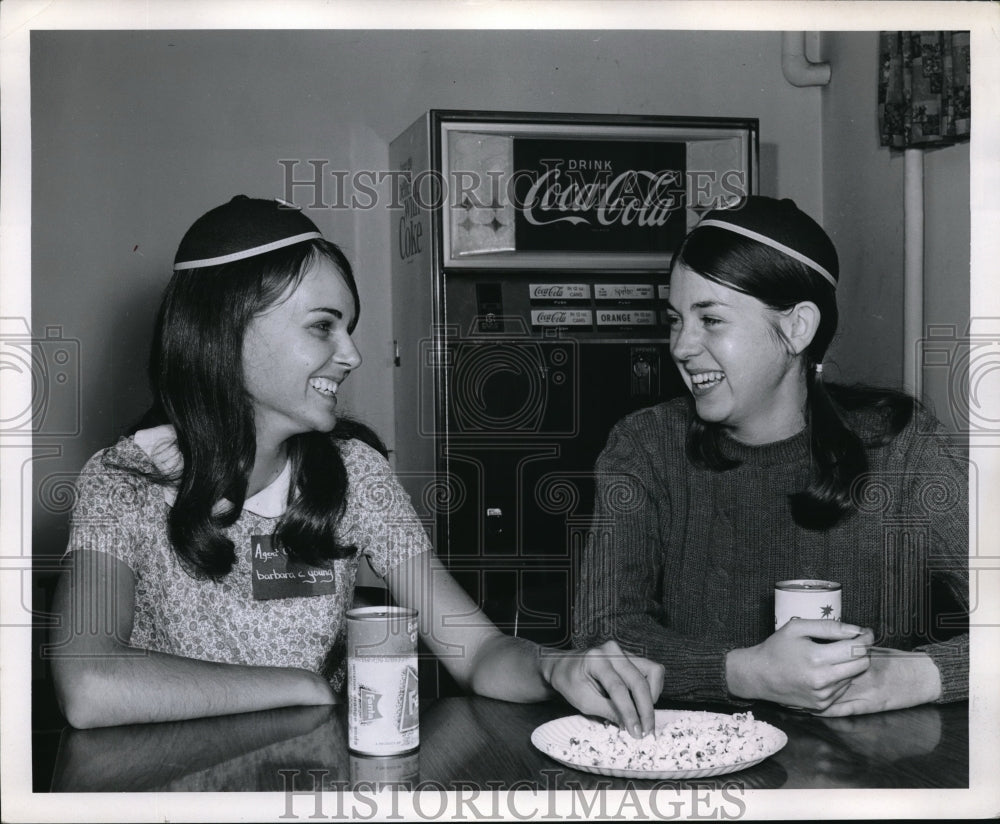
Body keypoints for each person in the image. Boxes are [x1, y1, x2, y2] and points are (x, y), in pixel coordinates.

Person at [50, 195, 664, 731]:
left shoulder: (356, 475)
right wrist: (301, 685)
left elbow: (476, 654)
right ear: (225, 329)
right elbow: (89, 683)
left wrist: (555, 666)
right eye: (323, 327)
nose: (351, 354)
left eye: (350, 327)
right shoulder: (123, 481)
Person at [573, 195, 968, 716]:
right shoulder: (645, 445)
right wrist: (744, 672)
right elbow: (603, 634)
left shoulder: (904, 449)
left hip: (860, 780)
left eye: (710, 319)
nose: (681, 346)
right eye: (675, 320)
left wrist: (912, 677)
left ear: (797, 328)